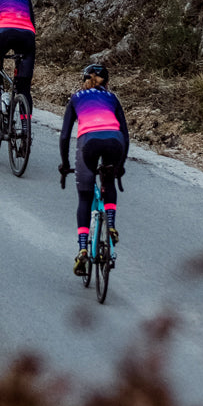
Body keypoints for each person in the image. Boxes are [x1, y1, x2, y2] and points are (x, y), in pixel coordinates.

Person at [57, 63, 131, 277]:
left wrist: (65, 165)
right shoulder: (113, 98)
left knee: (85, 197)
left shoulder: (76, 98)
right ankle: (111, 224)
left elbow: (64, 136)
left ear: (83, 81)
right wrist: (120, 166)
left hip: (88, 142)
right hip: (115, 141)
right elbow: (125, 135)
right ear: (107, 83)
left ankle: (82, 249)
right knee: (108, 182)